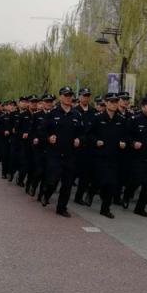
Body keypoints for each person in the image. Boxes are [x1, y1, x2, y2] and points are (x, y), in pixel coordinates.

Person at [39, 86, 84, 217]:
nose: (69, 97)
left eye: (70, 95)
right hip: (54, 154)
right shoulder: (53, 113)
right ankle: (46, 194)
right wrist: (48, 138)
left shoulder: (76, 114)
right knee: (53, 180)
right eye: (66, 95)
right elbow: (42, 131)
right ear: (60, 97)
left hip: (70, 154)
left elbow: (83, 133)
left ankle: (61, 208)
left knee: (68, 183)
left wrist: (79, 140)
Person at [87, 93, 127, 218]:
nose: (114, 104)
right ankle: (91, 191)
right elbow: (88, 134)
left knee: (111, 183)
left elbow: (125, 136)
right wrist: (96, 141)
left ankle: (105, 209)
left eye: (116, 102)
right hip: (100, 156)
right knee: (100, 180)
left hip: (114, 157)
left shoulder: (121, 120)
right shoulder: (98, 118)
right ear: (106, 103)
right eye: (111, 102)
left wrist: (124, 143)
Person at [73, 87, 95, 205]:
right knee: (72, 173)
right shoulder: (74, 111)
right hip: (76, 148)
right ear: (79, 97)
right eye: (84, 95)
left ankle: (79, 196)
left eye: (87, 96)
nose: (86, 98)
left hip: (89, 148)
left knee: (85, 175)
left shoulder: (93, 111)